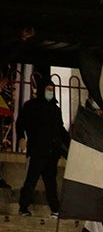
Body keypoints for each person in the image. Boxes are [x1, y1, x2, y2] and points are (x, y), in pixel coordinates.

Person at [17, 75, 67, 217]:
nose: (50, 92)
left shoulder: (55, 110)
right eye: (48, 89)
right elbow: (21, 123)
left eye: (52, 89)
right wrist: (21, 137)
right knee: (32, 179)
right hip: (38, 150)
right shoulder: (31, 106)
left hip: (52, 152)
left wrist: (70, 144)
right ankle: (23, 207)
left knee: (51, 182)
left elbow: (60, 130)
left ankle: (55, 209)